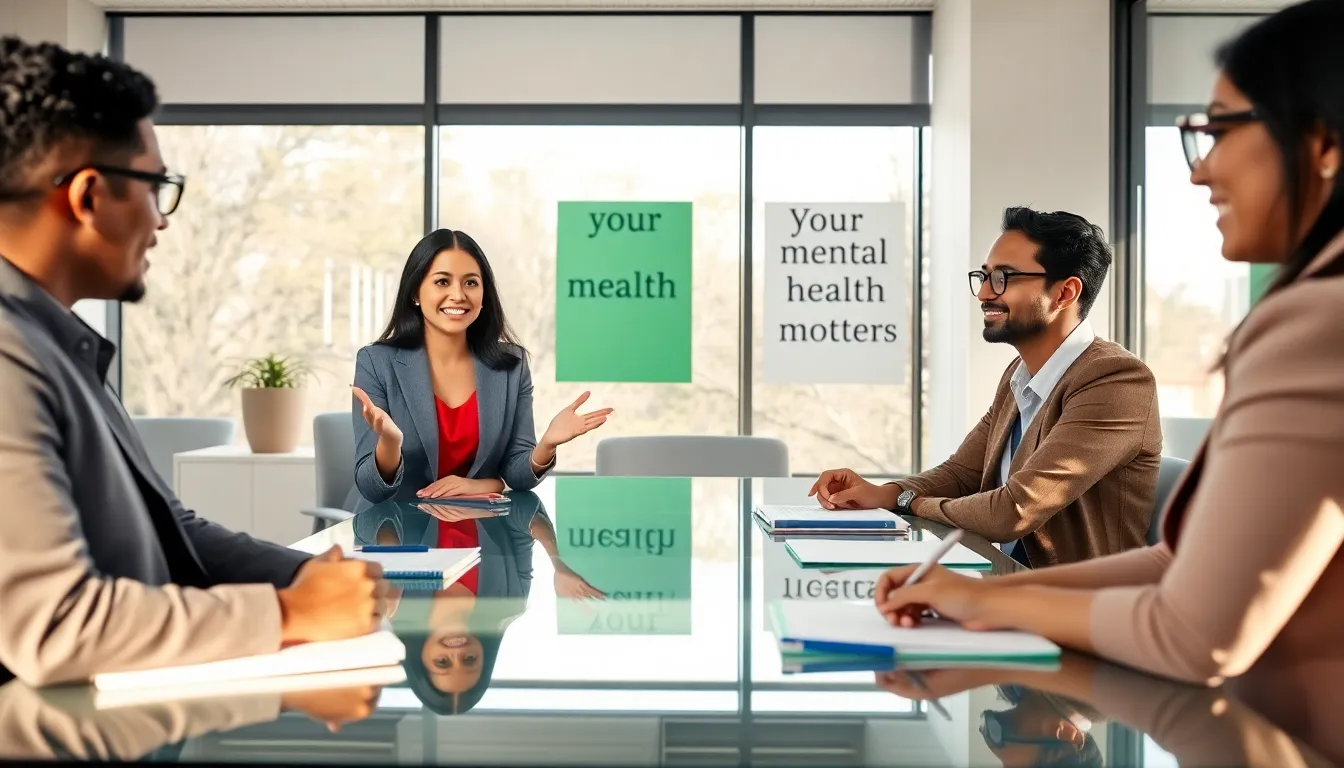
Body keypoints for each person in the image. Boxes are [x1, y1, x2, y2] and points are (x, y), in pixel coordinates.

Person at [873, 0, 1344, 695]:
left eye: (1216, 132)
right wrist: (973, 588)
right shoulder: (1017, 377)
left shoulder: (1313, 323)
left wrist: (980, 593)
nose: (1198, 171)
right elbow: (1176, 564)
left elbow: (1195, 634)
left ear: (1321, 143)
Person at [0, 37, 383, 687]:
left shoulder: (55, 341)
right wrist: (289, 611)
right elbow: (56, 625)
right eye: (157, 188)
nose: (162, 221)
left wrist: (303, 575)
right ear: (90, 196)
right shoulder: (10, 356)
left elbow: (168, 529)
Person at [811, 207, 1160, 567]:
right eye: (985, 276)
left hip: (1075, 605)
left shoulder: (1115, 380)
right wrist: (884, 492)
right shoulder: (1020, 374)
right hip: (1002, 579)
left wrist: (906, 503)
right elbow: (960, 475)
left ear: (1065, 293)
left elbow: (1013, 510)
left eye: (1003, 278)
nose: (982, 293)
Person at [350, 228, 611, 511]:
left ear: (484, 293)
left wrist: (546, 445)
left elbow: (517, 474)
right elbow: (371, 489)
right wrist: (390, 442)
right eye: (442, 281)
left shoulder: (512, 365)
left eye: (471, 283)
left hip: (484, 531)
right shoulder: (376, 362)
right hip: (402, 536)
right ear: (415, 292)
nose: (458, 295)